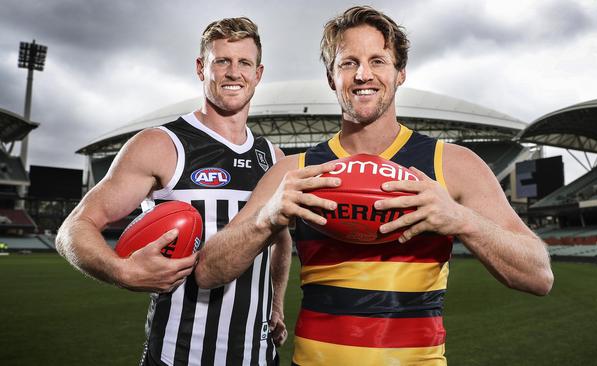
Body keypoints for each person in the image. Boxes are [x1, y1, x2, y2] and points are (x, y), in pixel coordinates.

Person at [193, 6, 554, 366]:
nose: (363, 74)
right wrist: (266, 218)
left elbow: (539, 275)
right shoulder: (296, 171)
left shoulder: (453, 165)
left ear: (400, 74)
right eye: (348, 63)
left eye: (378, 61)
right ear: (332, 77)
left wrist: (461, 219)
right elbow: (209, 271)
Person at [55, 17, 291, 366]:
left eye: (244, 63)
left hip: (257, 356)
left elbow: (280, 237)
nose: (233, 72)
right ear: (201, 68)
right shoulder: (162, 145)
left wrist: (276, 302)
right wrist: (121, 271)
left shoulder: (273, 157)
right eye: (221, 61)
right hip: (178, 355)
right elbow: (74, 228)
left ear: (258, 74)